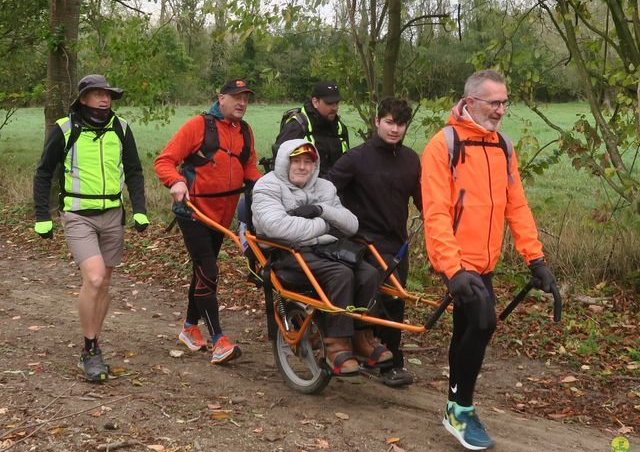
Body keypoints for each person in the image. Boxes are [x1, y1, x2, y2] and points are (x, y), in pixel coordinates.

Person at [421, 69, 557, 450]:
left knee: (468, 328)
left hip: (486, 261)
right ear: (470, 102)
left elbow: (517, 205)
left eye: (504, 102)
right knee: (482, 321)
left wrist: (536, 258)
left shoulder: (503, 146)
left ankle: (455, 402)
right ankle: (459, 410)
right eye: (494, 102)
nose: (500, 110)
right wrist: (452, 268)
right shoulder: (443, 144)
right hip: (457, 260)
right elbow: (435, 213)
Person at [33, 74, 149, 382]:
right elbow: (44, 172)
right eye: (97, 94)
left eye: (108, 94)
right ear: (83, 99)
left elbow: (135, 172)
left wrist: (140, 210)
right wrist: (42, 215)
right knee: (95, 278)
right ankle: (88, 349)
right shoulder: (65, 129)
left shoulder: (122, 129)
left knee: (104, 284)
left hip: (113, 213)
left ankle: (94, 343)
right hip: (77, 213)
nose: (104, 99)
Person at [251, 139, 393, 375]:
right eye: (296, 161)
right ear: (284, 162)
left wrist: (321, 210)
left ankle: (362, 336)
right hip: (286, 254)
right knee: (341, 274)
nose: (302, 167)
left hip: (325, 250)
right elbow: (278, 228)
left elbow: (351, 225)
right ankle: (335, 345)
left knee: (369, 273)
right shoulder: (267, 187)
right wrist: (326, 226)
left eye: (308, 162)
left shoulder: (324, 187)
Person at [154, 78, 261, 364]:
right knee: (208, 270)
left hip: (221, 218)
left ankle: (190, 328)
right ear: (221, 98)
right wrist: (176, 182)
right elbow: (164, 161)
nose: (242, 103)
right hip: (194, 213)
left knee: (203, 272)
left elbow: (248, 166)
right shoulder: (198, 126)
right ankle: (218, 340)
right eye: (236, 97)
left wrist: (266, 188)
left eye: (246, 98)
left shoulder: (245, 131)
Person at [328, 97, 421, 387]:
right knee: (374, 301)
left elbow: (423, 200)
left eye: (401, 124)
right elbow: (327, 189)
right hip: (364, 243)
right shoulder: (357, 158)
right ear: (377, 122)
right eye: (390, 122)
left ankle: (386, 360)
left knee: (395, 302)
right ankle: (382, 359)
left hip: (398, 243)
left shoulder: (411, 159)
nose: (395, 129)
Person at [272, 80, 349, 177]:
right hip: (304, 187)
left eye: (337, 103)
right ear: (315, 102)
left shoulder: (340, 128)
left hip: (335, 187)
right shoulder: (298, 125)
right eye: (329, 103)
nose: (334, 108)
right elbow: (279, 163)